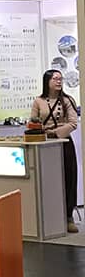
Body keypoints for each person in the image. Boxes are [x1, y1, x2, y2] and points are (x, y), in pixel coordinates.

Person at [30, 69, 80, 233]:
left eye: (60, 79)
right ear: (47, 81)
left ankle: (69, 217)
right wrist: (39, 129)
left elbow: (73, 123)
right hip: (44, 143)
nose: (59, 82)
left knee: (69, 178)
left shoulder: (67, 100)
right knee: (47, 180)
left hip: (64, 142)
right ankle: (49, 217)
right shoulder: (38, 101)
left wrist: (56, 133)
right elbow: (32, 121)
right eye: (55, 79)